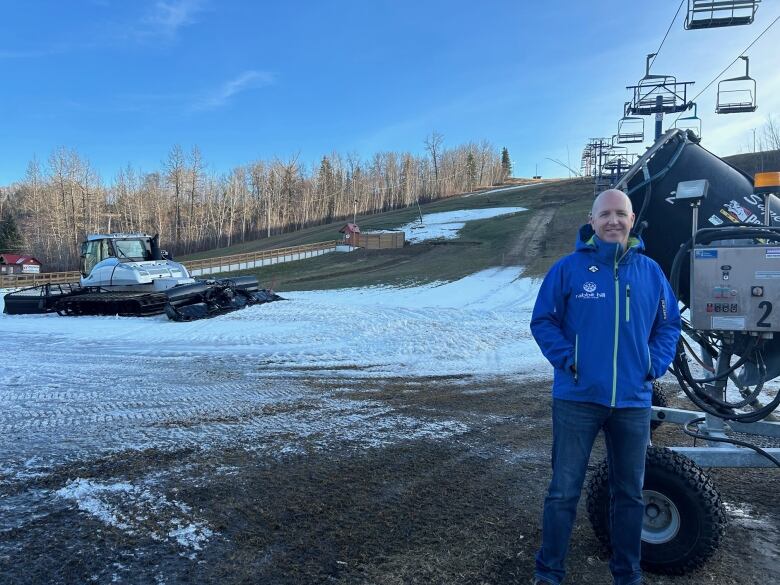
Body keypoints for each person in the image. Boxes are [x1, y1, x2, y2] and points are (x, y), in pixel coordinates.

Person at [529, 189, 681, 585]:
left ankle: (627, 573)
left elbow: (668, 326)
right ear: (592, 221)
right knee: (563, 492)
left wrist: (653, 363)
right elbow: (543, 320)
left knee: (630, 494)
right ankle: (549, 573)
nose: (613, 221)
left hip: (632, 402)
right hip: (577, 399)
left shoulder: (651, 272)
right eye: (605, 215)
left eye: (621, 214)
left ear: (632, 221)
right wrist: (569, 358)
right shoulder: (568, 269)